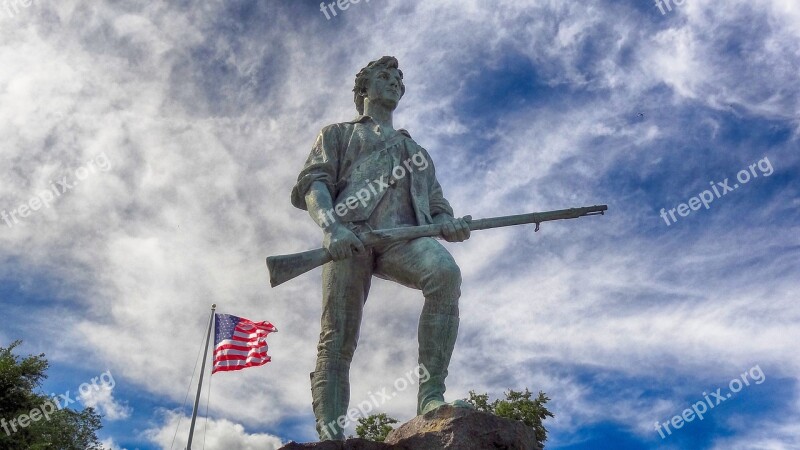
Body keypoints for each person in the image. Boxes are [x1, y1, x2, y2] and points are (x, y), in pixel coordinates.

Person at [291, 56, 472, 440]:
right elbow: (314, 185)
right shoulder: (337, 134)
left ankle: (431, 396)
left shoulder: (415, 150)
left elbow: (438, 206)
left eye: (399, 79)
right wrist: (332, 228)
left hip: (403, 238)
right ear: (363, 90)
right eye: (384, 76)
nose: (394, 82)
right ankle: (331, 432)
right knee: (337, 337)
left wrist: (451, 224)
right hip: (349, 239)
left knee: (445, 273)